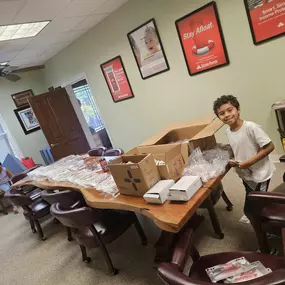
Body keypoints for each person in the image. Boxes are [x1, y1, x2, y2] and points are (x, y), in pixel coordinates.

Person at [213, 95, 275, 223]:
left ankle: (264, 224)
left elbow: (270, 147)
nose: (227, 115)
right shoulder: (228, 132)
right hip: (245, 172)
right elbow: (238, 147)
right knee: (249, 191)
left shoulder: (251, 127)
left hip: (260, 173)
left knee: (258, 199)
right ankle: (252, 214)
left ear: (238, 109)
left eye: (230, 110)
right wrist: (233, 160)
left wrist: (249, 162)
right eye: (222, 113)